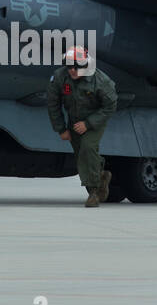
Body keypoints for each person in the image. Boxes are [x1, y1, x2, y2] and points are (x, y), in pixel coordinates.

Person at [46, 45, 117, 207]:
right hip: (73, 121)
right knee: (81, 156)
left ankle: (93, 193)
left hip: (95, 120)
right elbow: (52, 103)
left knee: (87, 148)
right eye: (69, 66)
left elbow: (110, 105)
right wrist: (61, 128)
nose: (72, 70)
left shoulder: (100, 80)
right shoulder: (60, 77)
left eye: (76, 67)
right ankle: (101, 177)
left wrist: (88, 123)